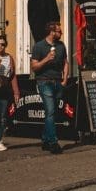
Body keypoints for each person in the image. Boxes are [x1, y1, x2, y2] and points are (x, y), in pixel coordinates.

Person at [30, 20, 68, 155]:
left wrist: (65, 79)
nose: (61, 33)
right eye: (59, 31)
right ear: (52, 32)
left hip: (57, 81)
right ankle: (53, 142)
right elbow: (34, 67)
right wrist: (46, 59)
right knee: (50, 111)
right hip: (44, 81)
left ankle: (45, 139)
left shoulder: (61, 45)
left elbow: (65, 62)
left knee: (52, 112)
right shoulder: (39, 46)